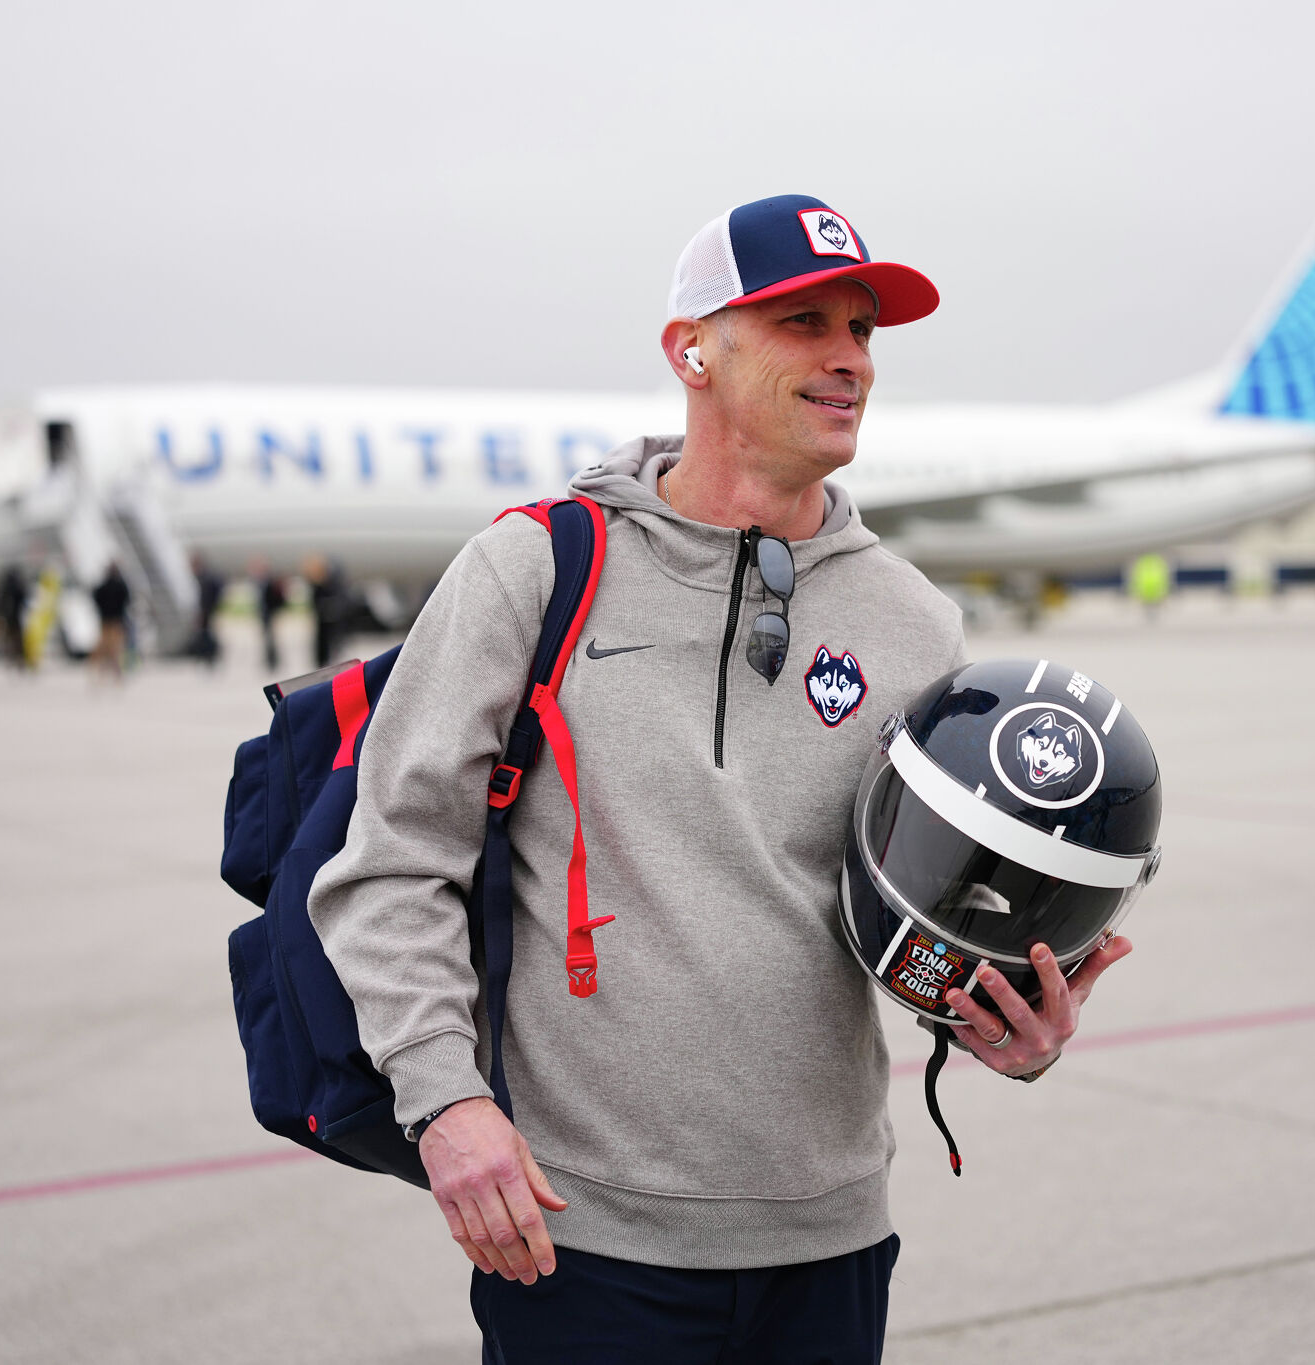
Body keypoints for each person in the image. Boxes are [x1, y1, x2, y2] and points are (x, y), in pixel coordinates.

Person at [308, 194, 1130, 1363]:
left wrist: (995, 1016)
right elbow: (391, 865)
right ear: (691, 350)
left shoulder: (911, 621)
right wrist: (444, 1102)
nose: (850, 358)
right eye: (806, 322)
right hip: (581, 1240)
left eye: (863, 330)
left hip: (829, 1237)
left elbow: (906, 917)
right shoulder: (534, 568)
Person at [91, 564, 132, 680]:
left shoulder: (102, 586)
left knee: (104, 647)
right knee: (116, 648)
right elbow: (127, 599)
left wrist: (102, 610)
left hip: (105, 620)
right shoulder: (121, 586)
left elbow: (95, 597)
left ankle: (101, 670)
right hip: (116, 620)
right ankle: (116, 672)